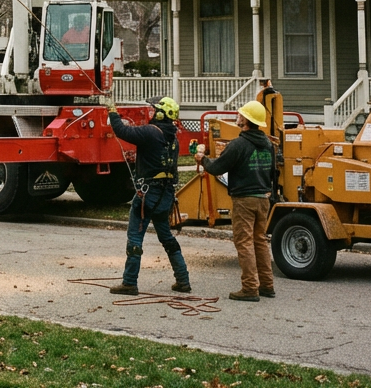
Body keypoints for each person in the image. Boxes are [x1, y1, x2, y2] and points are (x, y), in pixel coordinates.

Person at [107, 95, 191, 295]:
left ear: (160, 114)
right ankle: (183, 280)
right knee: (167, 238)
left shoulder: (151, 133)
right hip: (165, 195)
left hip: (148, 195)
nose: (152, 113)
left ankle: (129, 282)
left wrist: (112, 111)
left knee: (135, 237)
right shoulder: (173, 139)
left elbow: (121, 130)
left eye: (154, 110)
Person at [196, 100, 276, 301]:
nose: (237, 116)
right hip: (263, 198)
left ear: (246, 120)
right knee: (260, 241)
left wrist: (202, 159)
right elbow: (274, 172)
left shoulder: (238, 144)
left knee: (244, 242)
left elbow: (216, 168)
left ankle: (249, 288)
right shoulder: (268, 143)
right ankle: (267, 285)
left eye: (240, 114)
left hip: (244, 199)